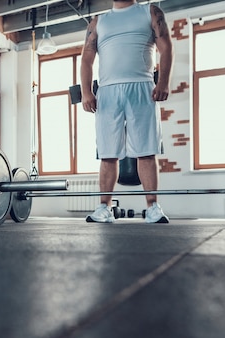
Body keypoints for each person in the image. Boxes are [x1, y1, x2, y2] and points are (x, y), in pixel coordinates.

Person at [80, 0, 174, 223]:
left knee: (146, 150)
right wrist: (86, 92)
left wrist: (163, 82)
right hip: (108, 91)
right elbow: (86, 58)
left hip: (142, 86)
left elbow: (166, 47)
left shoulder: (150, 11)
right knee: (107, 152)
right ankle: (104, 207)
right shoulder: (98, 21)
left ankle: (152, 207)